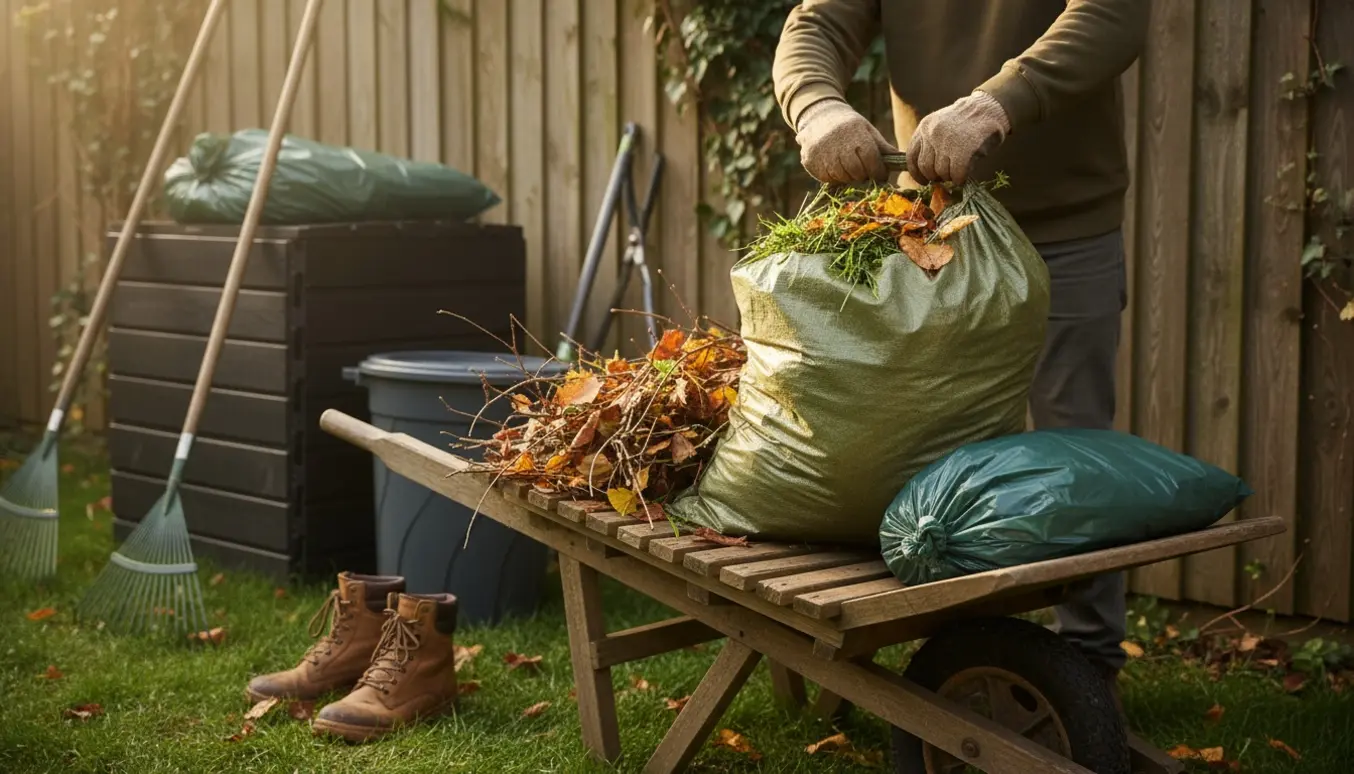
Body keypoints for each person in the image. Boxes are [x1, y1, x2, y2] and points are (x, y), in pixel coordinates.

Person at [773, 0, 1148, 699]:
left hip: (1069, 227)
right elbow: (817, 22)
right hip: (938, 224)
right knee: (920, 437)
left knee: (1075, 445)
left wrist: (994, 104)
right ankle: (943, 650)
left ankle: (1091, 665)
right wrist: (817, 104)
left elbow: (1113, 16)